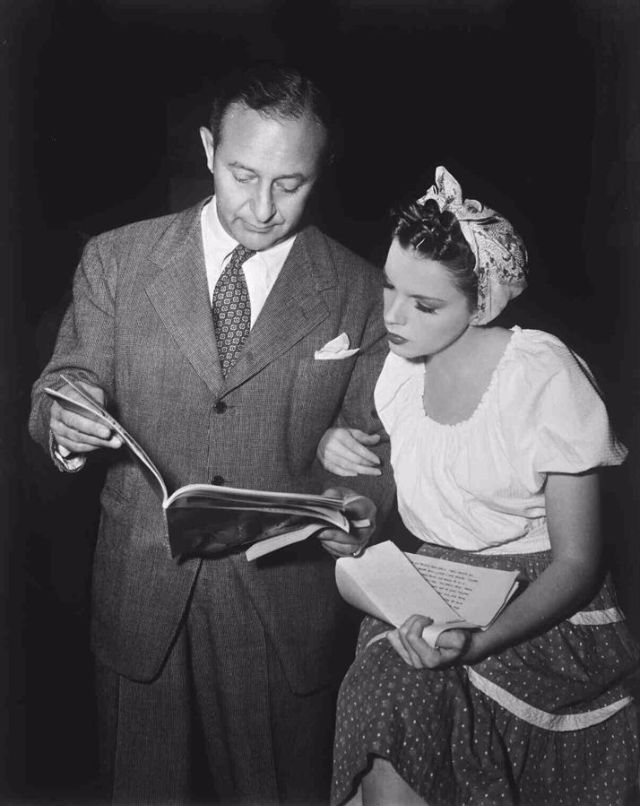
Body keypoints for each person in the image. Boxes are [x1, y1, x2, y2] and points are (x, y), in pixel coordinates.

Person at [29, 64, 394, 805]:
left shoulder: (361, 290)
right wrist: (66, 412)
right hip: (141, 598)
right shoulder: (117, 260)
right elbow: (61, 380)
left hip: (285, 608)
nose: (262, 207)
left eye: (290, 184)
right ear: (206, 150)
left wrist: (360, 506)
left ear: (319, 172)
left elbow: (377, 451)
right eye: (242, 173)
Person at [318, 166, 640, 805]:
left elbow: (577, 562)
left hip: (535, 610)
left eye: (425, 304)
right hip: (429, 592)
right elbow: (410, 496)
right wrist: (351, 509)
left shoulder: (541, 374)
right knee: (386, 696)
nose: (393, 317)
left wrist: (481, 640)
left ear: (485, 303)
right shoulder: (397, 376)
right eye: (388, 288)